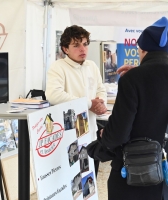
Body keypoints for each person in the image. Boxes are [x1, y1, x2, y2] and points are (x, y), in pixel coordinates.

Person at [95, 16, 168, 200]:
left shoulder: (131, 79)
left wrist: (105, 136)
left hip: (132, 175)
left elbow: (118, 134)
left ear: (142, 49)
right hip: (166, 173)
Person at [45, 25, 107, 177]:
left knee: (90, 179)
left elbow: (101, 89)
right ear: (65, 49)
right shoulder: (58, 67)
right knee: (74, 181)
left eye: (85, 44)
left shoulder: (91, 66)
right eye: (76, 45)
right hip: (70, 134)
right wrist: (89, 104)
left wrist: (101, 102)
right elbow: (53, 94)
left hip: (91, 133)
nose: (82, 49)